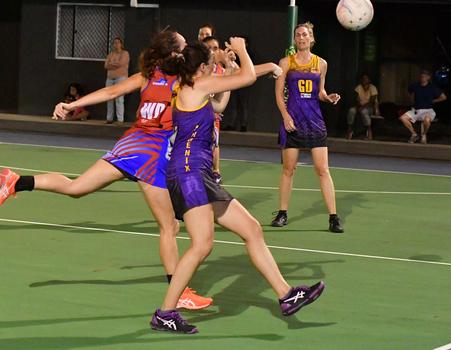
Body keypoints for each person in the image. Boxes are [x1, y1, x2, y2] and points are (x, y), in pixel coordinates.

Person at [0, 30, 212, 310]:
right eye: (183, 46)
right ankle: (179, 292)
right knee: (169, 226)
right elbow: (113, 91)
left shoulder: (147, 76)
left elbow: (112, 91)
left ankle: (16, 181)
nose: (187, 49)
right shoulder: (184, 81)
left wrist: (73, 104)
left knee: (76, 187)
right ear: (175, 55)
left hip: (130, 144)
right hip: (151, 154)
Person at [149, 39, 324, 334]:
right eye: (212, 61)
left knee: (252, 229)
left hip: (197, 172)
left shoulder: (196, 86)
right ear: (203, 67)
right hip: (189, 172)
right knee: (202, 244)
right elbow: (244, 78)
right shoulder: (198, 85)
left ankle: (286, 295)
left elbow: (221, 103)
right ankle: (165, 313)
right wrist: (243, 50)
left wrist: (247, 67)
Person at [270, 22, 343, 234]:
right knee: (288, 169)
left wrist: (328, 97)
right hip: (292, 122)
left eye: (305, 35)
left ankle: (333, 217)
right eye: (298, 35)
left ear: (311, 39)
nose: (301, 38)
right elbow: (278, 94)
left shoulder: (321, 64)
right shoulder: (285, 63)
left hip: (314, 122)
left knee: (322, 170)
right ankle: (282, 213)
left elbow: (319, 92)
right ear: (295, 39)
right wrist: (285, 117)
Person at [202, 35, 227, 184]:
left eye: (215, 48)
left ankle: (215, 171)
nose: (212, 51)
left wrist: (230, 68)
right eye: (208, 48)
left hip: (211, 115)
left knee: (214, 142)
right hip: (192, 116)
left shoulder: (222, 71)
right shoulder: (196, 69)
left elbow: (220, 102)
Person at [400, 70, 447, 144]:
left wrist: (434, 101)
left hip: (428, 110)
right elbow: (409, 92)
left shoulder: (432, 87)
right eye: (421, 76)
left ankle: (424, 134)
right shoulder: (415, 85)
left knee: (427, 120)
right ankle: (414, 134)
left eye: (424, 76)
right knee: (403, 118)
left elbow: (443, 97)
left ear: (428, 78)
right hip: (416, 109)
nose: (422, 78)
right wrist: (412, 100)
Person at [104, 37, 129, 124]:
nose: (116, 44)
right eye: (114, 43)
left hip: (121, 78)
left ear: (121, 44)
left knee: (119, 99)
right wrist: (114, 64)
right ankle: (109, 118)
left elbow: (121, 63)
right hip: (110, 79)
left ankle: (120, 120)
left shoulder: (125, 53)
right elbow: (106, 66)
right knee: (109, 98)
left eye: (118, 42)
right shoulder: (110, 54)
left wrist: (112, 64)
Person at [347, 74, 379, 140]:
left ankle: (369, 131)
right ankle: (350, 130)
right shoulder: (358, 87)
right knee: (351, 111)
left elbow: (372, 101)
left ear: (369, 80)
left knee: (364, 112)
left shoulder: (373, 88)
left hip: (369, 107)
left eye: (366, 78)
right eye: (363, 78)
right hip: (359, 106)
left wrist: (363, 107)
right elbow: (356, 99)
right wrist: (359, 106)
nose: (365, 80)